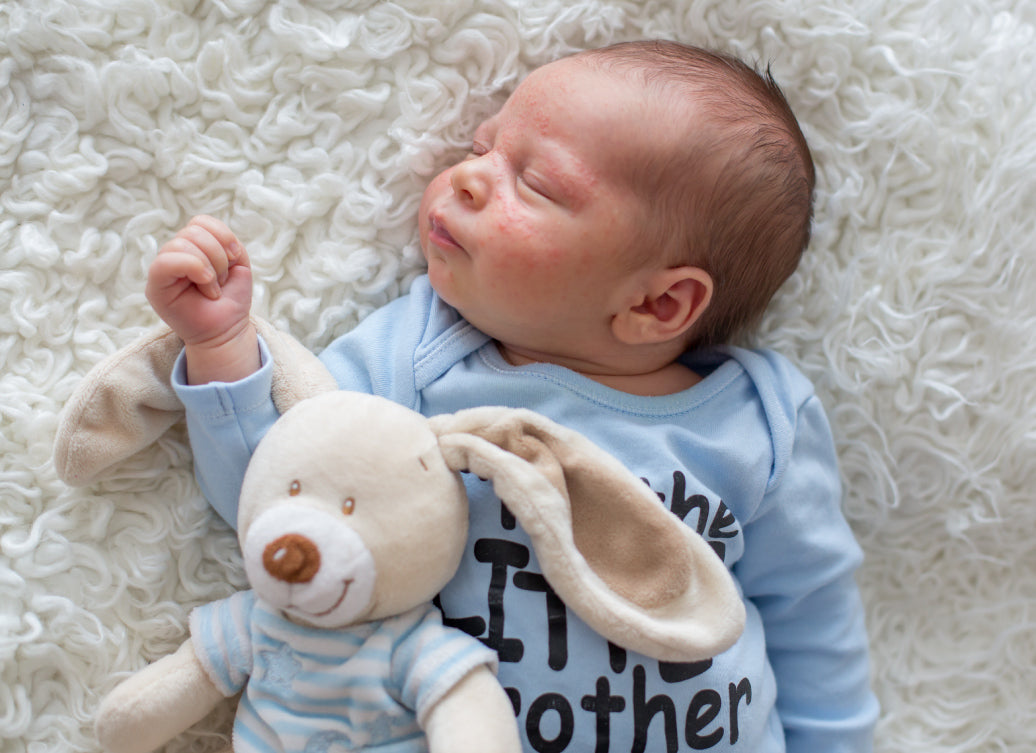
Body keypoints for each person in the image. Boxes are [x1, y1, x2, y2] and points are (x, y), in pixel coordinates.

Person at [147, 40, 878, 752]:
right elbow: (280, 499)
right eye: (480, 147)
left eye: (535, 183)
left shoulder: (759, 418)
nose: (466, 177)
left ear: (658, 305)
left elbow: (815, 624)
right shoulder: (419, 355)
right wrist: (221, 349)